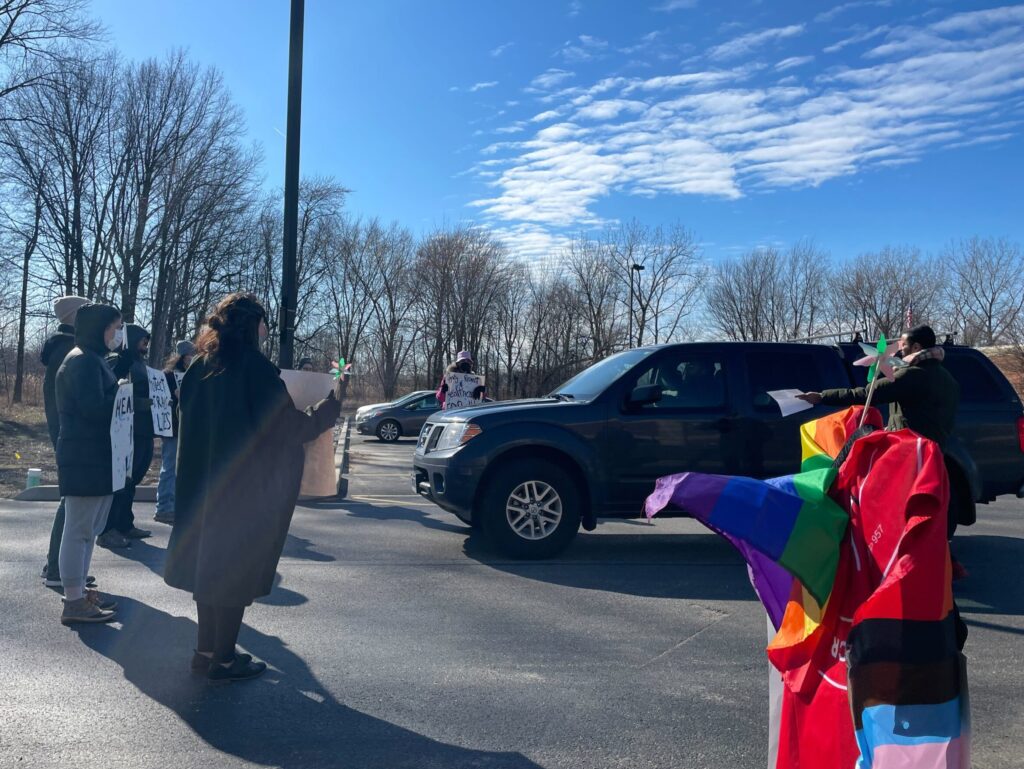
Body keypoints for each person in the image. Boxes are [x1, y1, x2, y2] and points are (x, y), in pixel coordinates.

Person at [164, 292, 340, 682]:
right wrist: (325, 413)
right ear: (251, 325)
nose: (265, 330)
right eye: (263, 323)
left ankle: (205, 651)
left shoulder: (200, 368)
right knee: (234, 574)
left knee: (207, 570)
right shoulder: (255, 370)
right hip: (245, 491)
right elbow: (286, 429)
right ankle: (224, 660)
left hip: (202, 486)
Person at [797, 324, 962, 540]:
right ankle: (935, 547)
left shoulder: (912, 375)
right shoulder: (947, 378)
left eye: (903, 346)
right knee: (926, 504)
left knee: (861, 440)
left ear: (917, 346)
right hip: (934, 451)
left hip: (909, 452)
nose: (899, 350)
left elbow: (867, 393)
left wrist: (821, 396)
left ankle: (829, 494)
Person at [54, 303, 124, 624]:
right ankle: (73, 600)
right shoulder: (82, 360)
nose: (117, 333)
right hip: (85, 458)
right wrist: (121, 395)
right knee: (79, 530)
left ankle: (80, 594)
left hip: (95, 457)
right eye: (114, 327)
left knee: (88, 531)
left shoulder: (92, 358)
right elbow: (93, 409)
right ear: (99, 328)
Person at [40, 296, 97, 589]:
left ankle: (61, 565)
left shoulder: (63, 349)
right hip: (72, 438)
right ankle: (56, 568)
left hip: (67, 436)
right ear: (75, 316)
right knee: (71, 502)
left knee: (70, 502)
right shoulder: (68, 351)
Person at [97, 324, 154, 548]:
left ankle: (124, 524)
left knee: (133, 480)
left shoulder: (141, 364)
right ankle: (107, 528)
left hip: (143, 430)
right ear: (132, 339)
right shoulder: (118, 360)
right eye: (143, 341)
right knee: (121, 480)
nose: (146, 345)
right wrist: (140, 403)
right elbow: (113, 392)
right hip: (126, 430)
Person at [154, 339, 195, 525]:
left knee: (182, 468)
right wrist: (175, 396)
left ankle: (176, 505)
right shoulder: (168, 377)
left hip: (185, 427)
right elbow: (161, 401)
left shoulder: (192, 375)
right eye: (188, 356)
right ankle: (164, 507)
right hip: (171, 428)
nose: (191, 359)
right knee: (169, 467)